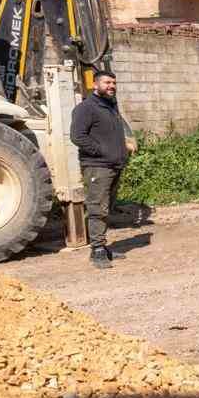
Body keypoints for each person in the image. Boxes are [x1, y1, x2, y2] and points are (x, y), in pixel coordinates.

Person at [69, 70, 134, 269]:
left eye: (113, 83)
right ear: (95, 85)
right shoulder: (86, 108)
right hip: (97, 167)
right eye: (107, 82)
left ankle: (103, 246)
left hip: (114, 165)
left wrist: (125, 145)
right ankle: (97, 250)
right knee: (97, 208)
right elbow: (77, 136)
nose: (111, 86)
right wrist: (100, 151)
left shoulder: (110, 106)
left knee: (106, 208)